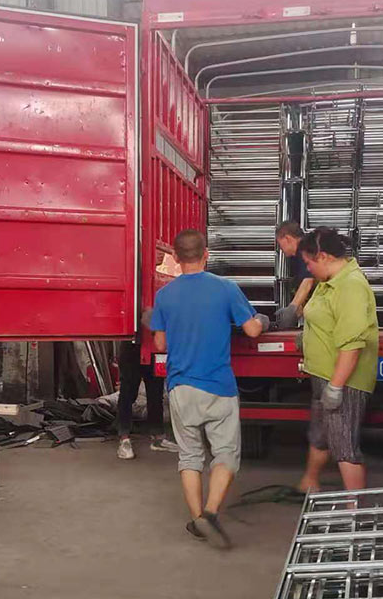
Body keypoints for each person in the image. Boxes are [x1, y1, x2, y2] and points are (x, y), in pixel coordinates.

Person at [150, 229, 269, 549]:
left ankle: (197, 518)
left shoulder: (164, 296)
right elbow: (252, 330)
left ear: (176, 258)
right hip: (219, 386)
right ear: (206, 254)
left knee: (190, 456)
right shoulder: (225, 288)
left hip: (180, 386)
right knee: (226, 453)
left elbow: (160, 344)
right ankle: (211, 512)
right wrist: (262, 319)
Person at [296, 227, 379, 492]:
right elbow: (324, 318)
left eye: (308, 262)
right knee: (320, 434)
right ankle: (309, 483)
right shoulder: (328, 281)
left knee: (344, 445)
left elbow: (352, 345)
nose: (307, 268)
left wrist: (336, 386)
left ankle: (355, 508)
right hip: (324, 374)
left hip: (344, 380)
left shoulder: (350, 285)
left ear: (322, 256)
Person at [116, 338, 180, 460]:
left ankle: (157, 435)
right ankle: (124, 438)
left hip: (155, 347)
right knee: (128, 393)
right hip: (132, 346)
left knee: (156, 391)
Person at [275, 221, 316, 329]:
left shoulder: (306, 248)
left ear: (287, 238)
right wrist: (297, 312)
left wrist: (292, 308)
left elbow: (308, 281)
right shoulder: (296, 257)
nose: (281, 248)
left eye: (280, 243)